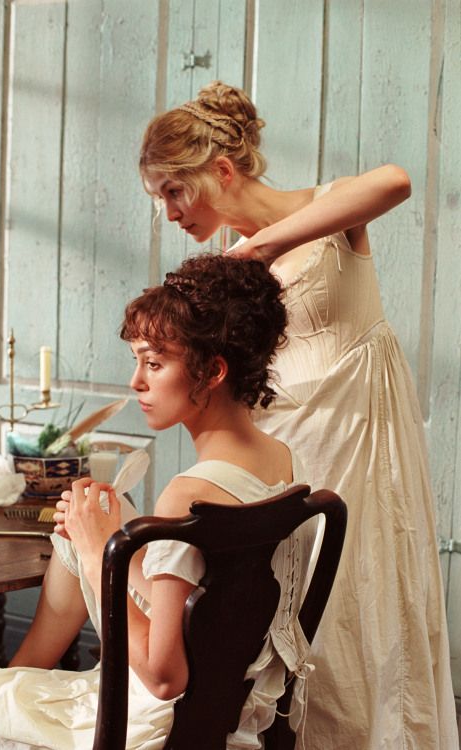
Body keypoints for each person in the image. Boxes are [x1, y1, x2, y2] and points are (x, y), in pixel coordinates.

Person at [138, 81, 459, 749]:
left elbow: (395, 180)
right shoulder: (221, 275)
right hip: (282, 458)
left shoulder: (323, 212)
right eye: (159, 198)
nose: (168, 213)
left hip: (359, 448)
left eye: (174, 191)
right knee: (279, 621)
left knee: (364, 609)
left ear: (221, 171)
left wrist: (259, 247)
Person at [0, 253, 317, 750]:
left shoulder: (190, 495)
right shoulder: (283, 462)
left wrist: (98, 554)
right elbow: (218, 606)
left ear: (213, 371)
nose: (136, 382)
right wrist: (107, 540)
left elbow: (164, 678)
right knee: (96, 515)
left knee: (90, 533)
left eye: (154, 363)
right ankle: (20, 679)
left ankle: (15, 688)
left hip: (153, 720)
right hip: (233, 702)